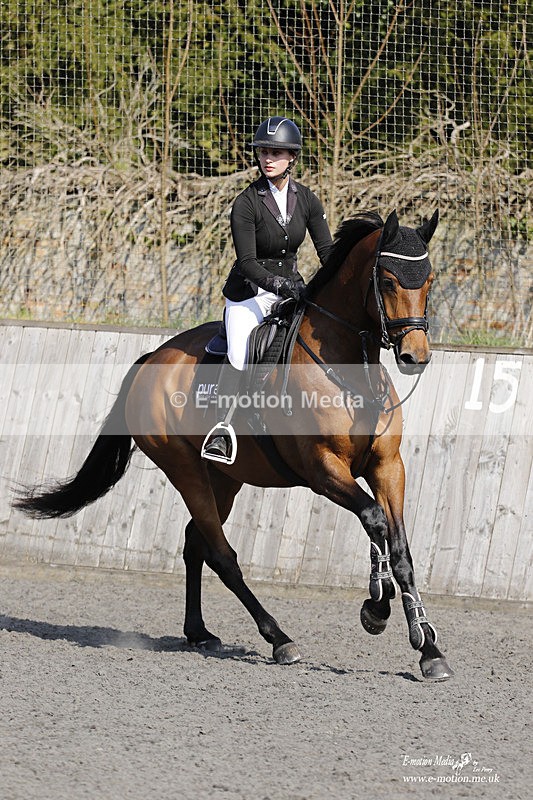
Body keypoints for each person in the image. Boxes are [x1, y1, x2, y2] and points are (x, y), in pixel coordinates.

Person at [201, 116, 333, 463]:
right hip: (249, 293)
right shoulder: (246, 203)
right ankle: (222, 429)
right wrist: (278, 285)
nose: (268, 159)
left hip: (292, 289)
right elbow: (246, 261)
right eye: (263, 152)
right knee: (243, 352)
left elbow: (328, 254)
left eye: (276, 152)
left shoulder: (307, 200)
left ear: (292, 158)